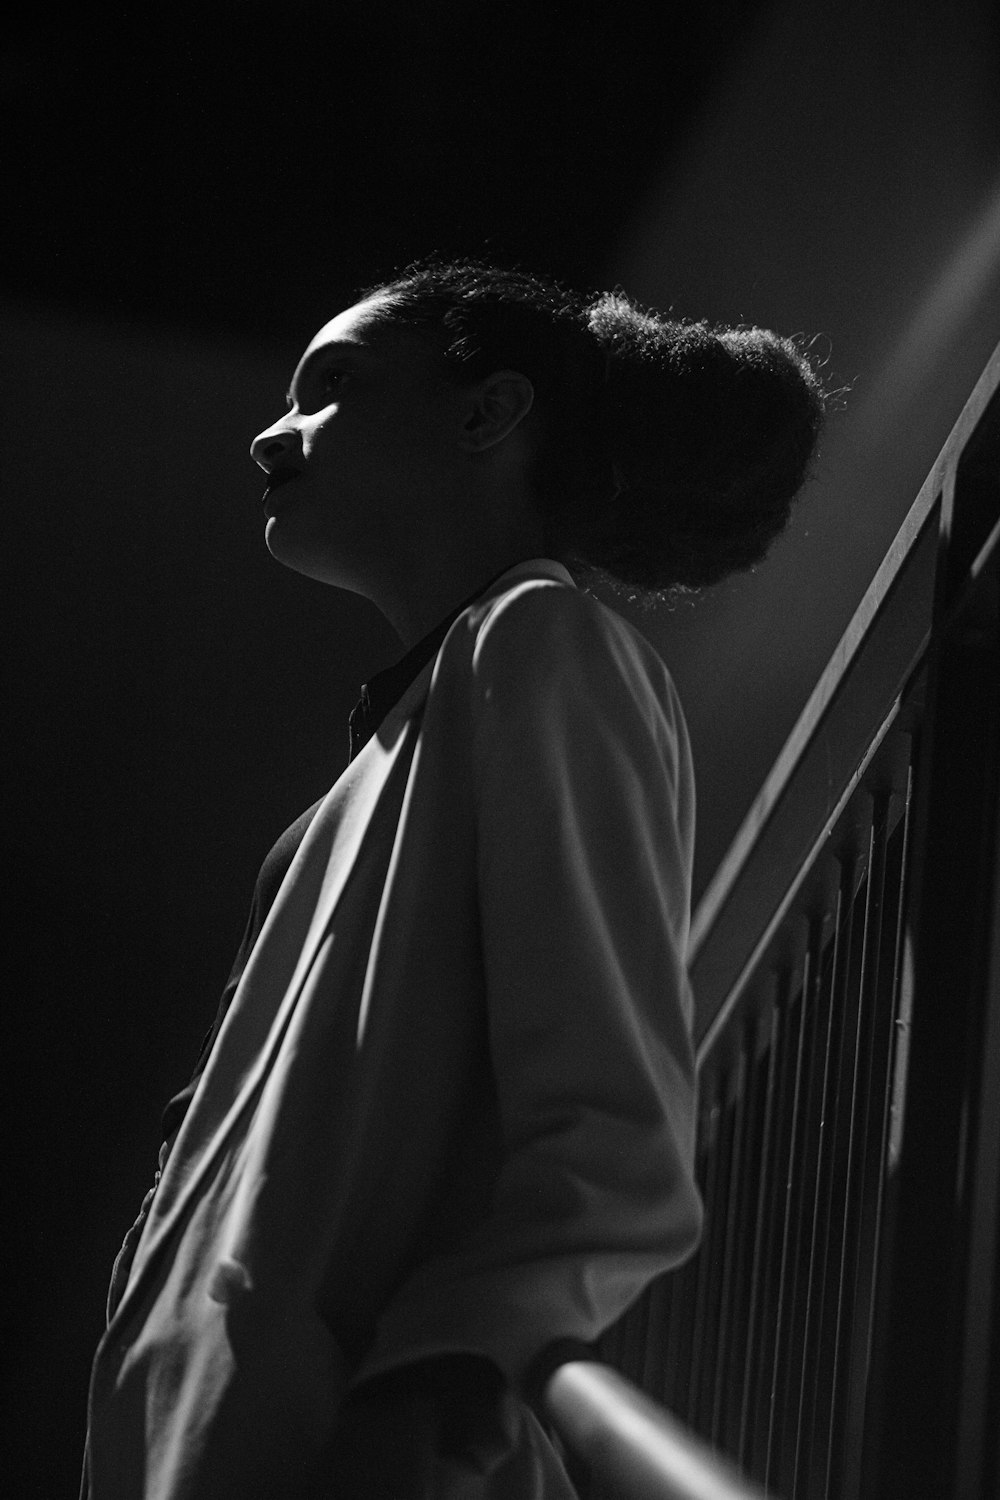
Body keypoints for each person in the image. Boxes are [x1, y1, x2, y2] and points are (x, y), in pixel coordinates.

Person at [81, 257, 825, 1498]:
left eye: (333, 388)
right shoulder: (365, 777)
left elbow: (612, 1138)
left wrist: (445, 1371)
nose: (272, 434)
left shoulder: (538, 638)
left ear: (488, 414)